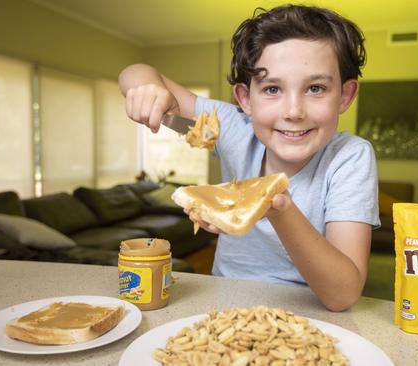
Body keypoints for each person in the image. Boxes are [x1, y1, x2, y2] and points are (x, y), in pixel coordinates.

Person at [119, 4, 379, 311]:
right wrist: (144, 88)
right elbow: (134, 72)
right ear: (246, 100)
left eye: (315, 88)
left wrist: (277, 208)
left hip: (311, 314)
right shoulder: (233, 129)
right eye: (272, 89)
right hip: (223, 303)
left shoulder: (350, 157)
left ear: (345, 97)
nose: (293, 112)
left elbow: (343, 295)